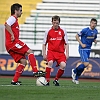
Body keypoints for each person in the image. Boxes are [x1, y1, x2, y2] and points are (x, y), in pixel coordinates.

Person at [5, 3, 45, 85]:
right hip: (13, 43)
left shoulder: (15, 20)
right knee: (30, 52)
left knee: (23, 62)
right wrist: (12, 35)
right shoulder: (13, 18)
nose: (21, 12)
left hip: (9, 46)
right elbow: (6, 24)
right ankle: (35, 71)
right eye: (20, 10)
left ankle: (14, 81)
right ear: (16, 11)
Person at [42, 15, 69, 86]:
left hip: (60, 53)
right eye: (54, 22)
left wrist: (67, 53)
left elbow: (66, 43)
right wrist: (44, 54)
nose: (55, 24)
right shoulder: (48, 31)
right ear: (52, 22)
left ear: (59, 23)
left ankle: (56, 80)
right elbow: (44, 44)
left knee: (63, 65)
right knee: (50, 62)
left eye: (57, 23)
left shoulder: (63, 30)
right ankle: (47, 81)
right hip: (51, 52)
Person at [71, 18, 98, 84]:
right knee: (86, 63)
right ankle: (74, 71)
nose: (93, 25)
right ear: (90, 23)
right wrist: (81, 44)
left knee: (84, 64)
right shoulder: (85, 30)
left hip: (88, 49)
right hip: (83, 49)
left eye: (95, 23)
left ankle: (76, 78)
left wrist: (94, 41)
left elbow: (93, 37)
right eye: (92, 23)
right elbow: (76, 36)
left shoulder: (95, 31)